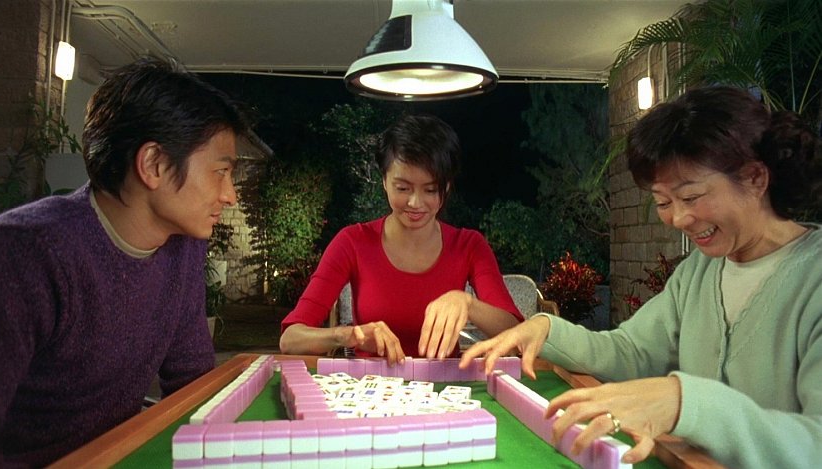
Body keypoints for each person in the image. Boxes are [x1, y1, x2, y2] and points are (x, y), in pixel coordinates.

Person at [460, 86, 822, 468]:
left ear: (754, 178)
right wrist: (545, 330)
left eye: (691, 197)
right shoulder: (697, 272)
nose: (678, 219)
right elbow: (631, 351)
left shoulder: (812, 278)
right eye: (663, 202)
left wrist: (684, 402)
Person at [0, 58, 250, 466]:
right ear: (154, 164)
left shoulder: (183, 247)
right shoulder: (22, 253)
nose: (230, 195)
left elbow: (193, 384)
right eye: (220, 172)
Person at [280, 114, 523, 364]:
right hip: (371, 385)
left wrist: (468, 304)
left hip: (445, 385)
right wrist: (347, 335)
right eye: (403, 188)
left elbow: (517, 338)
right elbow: (290, 339)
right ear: (384, 181)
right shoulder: (352, 242)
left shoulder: (469, 246)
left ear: (447, 186)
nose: (415, 203)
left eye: (430, 190)